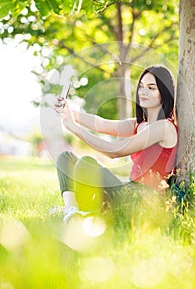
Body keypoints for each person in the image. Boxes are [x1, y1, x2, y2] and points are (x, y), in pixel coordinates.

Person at [53, 65, 178, 223]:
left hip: (141, 202)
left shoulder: (164, 127)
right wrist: (70, 113)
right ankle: (72, 210)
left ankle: (87, 212)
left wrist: (74, 128)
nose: (143, 92)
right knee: (66, 157)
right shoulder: (138, 124)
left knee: (87, 163)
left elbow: (114, 151)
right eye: (141, 86)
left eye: (151, 88)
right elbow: (101, 124)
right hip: (128, 189)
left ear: (164, 93)